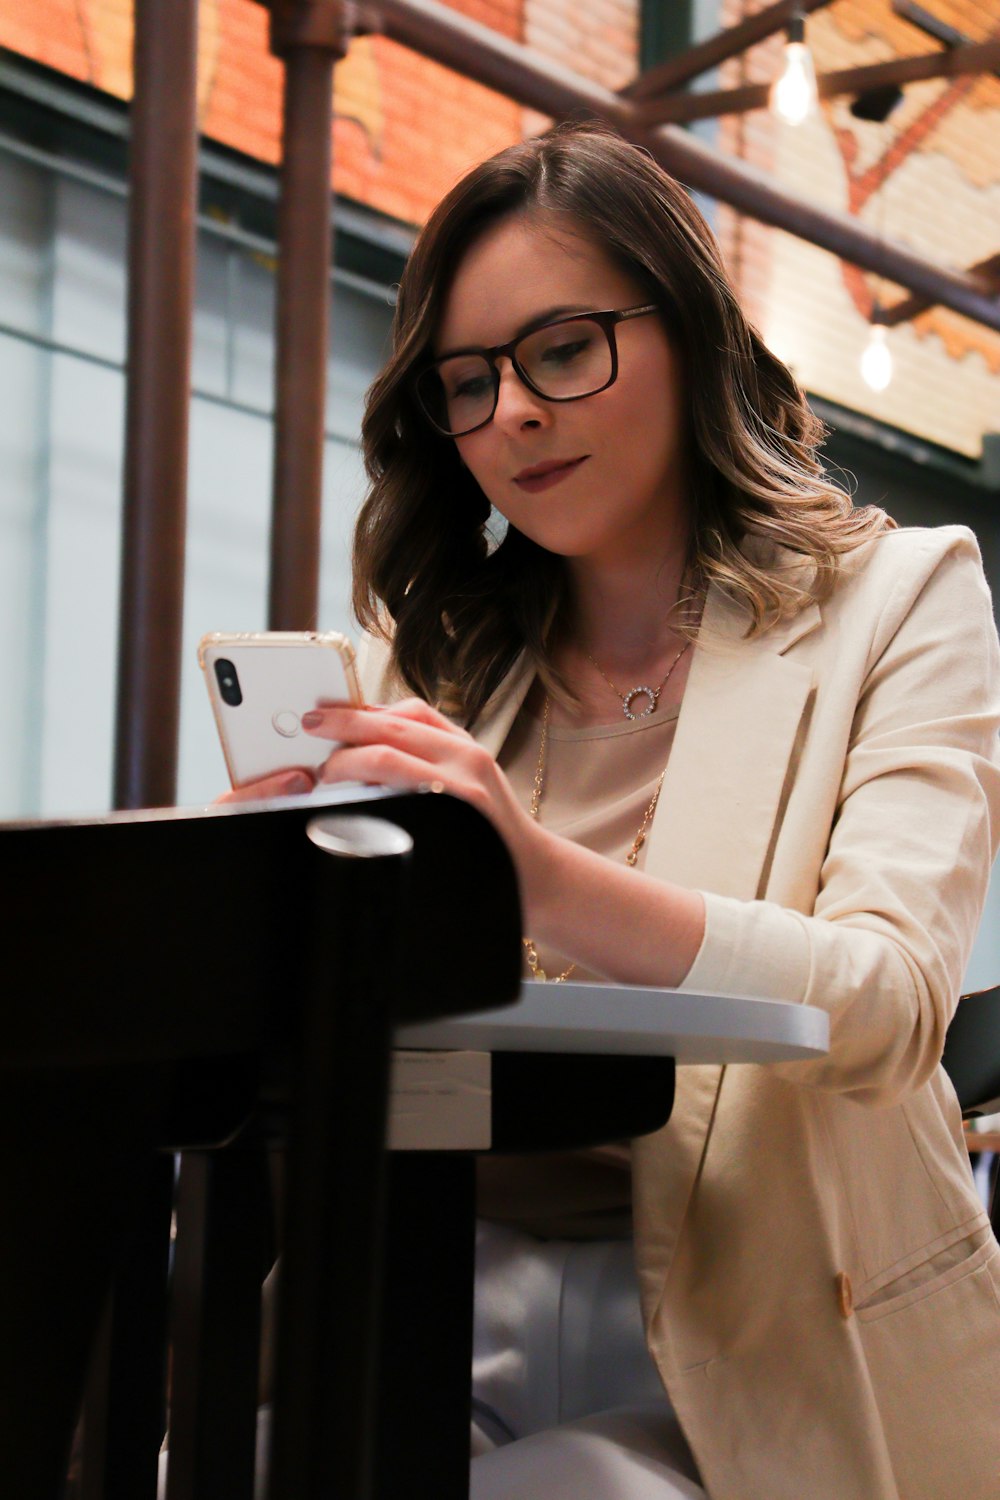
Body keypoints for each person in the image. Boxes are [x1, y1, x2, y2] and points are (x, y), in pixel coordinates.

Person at [224, 123, 1000, 1499]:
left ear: (691, 336)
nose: (511, 413)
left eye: (563, 350)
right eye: (466, 384)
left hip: (763, 1323)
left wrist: (529, 874)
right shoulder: (440, 669)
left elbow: (885, 1004)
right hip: (434, 1286)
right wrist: (279, 895)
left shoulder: (906, 600)